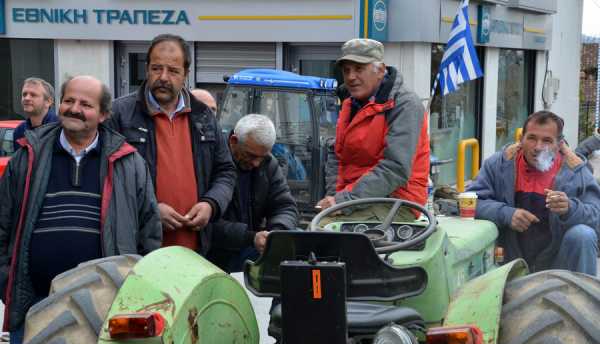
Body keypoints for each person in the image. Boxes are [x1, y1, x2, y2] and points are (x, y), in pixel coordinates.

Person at [0, 75, 162, 344]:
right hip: (33, 305)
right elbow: (2, 224)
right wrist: (6, 280)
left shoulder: (129, 162)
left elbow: (150, 233)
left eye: (86, 104)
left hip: (104, 311)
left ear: (104, 114)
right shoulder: (28, 156)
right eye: (69, 101)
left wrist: (134, 294)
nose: (74, 108)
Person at [107, 34, 236, 255]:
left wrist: (211, 204)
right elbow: (107, 178)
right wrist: (150, 209)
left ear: (186, 74)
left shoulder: (203, 115)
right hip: (140, 250)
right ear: (146, 68)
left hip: (196, 249)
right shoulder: (119, 114)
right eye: (156, 68)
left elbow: (225, 171)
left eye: (173, 71)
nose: (163, 77)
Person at [468, 110, 600, 276]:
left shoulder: (576, 171)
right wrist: (506, 214)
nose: (538, 147)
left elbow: (597, 217)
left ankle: (581, 300)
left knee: (583, 235)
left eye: (547, 140)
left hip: (557, 264)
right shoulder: (499, 164)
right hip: (509, 262)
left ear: (559, 145)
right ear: (521, 139)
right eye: (531, 138)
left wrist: (570, 209)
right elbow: (470, 203)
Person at [316, 38, 429, 219]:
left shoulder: (405, 105)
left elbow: (395, 169)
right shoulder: (349, 104)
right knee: (310, 235)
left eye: (359, 69)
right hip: (354, 199)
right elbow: (338, 157)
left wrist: (343, 201)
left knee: (331, 238)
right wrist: (333, 199)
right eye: (346, 70)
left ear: (380, 70)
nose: (351, 76)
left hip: (397, 201)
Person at [208, 114, 298, 273]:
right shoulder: (211, 163)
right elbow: (206, 224)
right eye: (251, 156)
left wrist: (275, 234)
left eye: (262, 157)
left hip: (250, 247)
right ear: (233, 141)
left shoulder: (269, 164)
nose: (256, 163)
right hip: (216, 254)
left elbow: (285, 206)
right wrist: (250, 237)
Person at [13, 77, 60, 143]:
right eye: (24, 94)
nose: (27, 98)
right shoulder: (19, 131)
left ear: (48, 102)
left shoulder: (60, 129)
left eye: (33, 95)